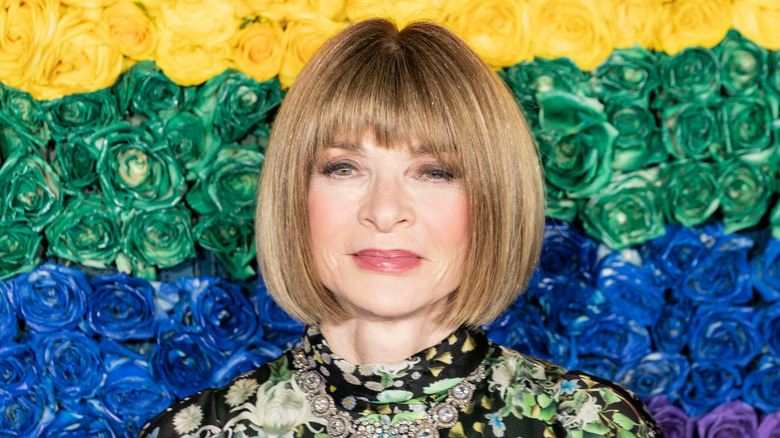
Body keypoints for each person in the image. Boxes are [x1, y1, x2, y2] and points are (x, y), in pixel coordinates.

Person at [139, 18, 662, 438]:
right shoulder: (196, 431)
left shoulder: (593, 425)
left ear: (494, 202)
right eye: (344, 167)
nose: (385, 212)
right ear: (293, 197)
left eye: (434, 172)